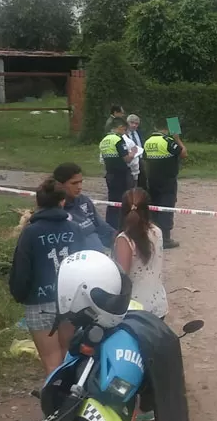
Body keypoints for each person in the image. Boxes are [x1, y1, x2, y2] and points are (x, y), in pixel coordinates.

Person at [9, 179, 85, 374]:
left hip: (40, 302)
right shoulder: (75, 229)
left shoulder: (30, 232)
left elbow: (22, 270)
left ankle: (56, 401)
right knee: (70, 354)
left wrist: (20, 295)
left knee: (52, 362)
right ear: (62, 202)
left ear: (38, 203)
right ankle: (74, 398)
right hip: (70, 300)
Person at [113, 188, 168, 421]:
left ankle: (127, 408)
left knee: (130, 360)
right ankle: (148, 407)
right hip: (158, 304)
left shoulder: (124, 241)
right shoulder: (157, 231)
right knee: (151, 359)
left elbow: (121, 278)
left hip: (134, 310)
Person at [143, 117, 188, 249]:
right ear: (166, 129)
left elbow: (145, 157)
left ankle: (153, 236)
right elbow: (184, 153)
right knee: (167, 206)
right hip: (167, 179)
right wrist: (177, 139)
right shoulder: (167, 141)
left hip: (152, 179)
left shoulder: (148, 141)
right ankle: (166, 238)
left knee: (154, 206)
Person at [53, 163, 115, 252]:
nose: (79, 187)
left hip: (98, 258)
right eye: (74, 183)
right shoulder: (54, 209)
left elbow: (103, 228)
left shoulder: (84, 201)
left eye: (81, 182)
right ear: (59, 184)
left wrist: (122, 239)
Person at [100, 117, 138, 231]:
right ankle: (122, 227)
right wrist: (133, 152)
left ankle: (110, 227)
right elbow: (126, 159)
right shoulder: (118, 140)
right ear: (120, 128)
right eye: (125, 130)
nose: (125, 133)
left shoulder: (104, 140)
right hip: (120, 175)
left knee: (112, 202)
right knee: (123, 201)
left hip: (110, 174)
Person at [125, 114, 148, 190]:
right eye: (132, 123)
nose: (134, 125)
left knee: (143, 179)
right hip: (130, 160)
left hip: (141, 159)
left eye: (136, 123)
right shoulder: (123, 134)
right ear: (127, 123)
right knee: (131, 181)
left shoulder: (140, 133)